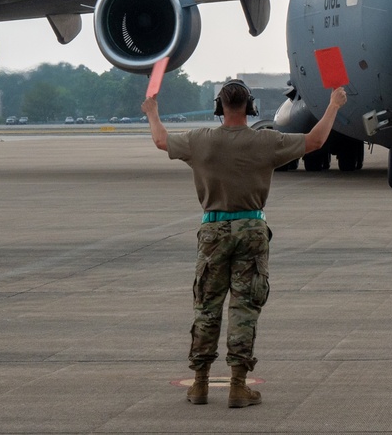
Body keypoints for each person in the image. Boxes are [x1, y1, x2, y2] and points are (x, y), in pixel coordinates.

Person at [141, 80, 347, 408]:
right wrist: (334, 104)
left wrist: (152, 112)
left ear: (218, 107)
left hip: (212, 230)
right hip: (252, 227)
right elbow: (316, 140)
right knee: (244, 307)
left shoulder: (199, 140)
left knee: (207, 307)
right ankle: (238, 385)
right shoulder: (265, 141)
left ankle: (199, 384)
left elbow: (160, 140)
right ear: (251, 108)